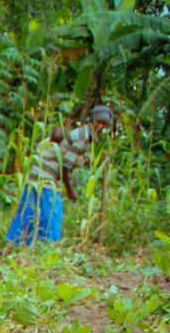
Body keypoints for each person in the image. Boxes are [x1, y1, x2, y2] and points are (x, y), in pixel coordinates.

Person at [6, 105, 114, 246]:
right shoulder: (83, 136)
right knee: (52, 214)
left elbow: (73, 157)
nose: (100, 125)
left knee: (28, 210)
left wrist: (93, 160)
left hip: (36, 174)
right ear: (91, 119)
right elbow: (66, 166)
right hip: (45, 175)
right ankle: (47, 248)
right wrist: (70, 190)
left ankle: (16, 244)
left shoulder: (84, 135)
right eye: (98, 121)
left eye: (103, 124)